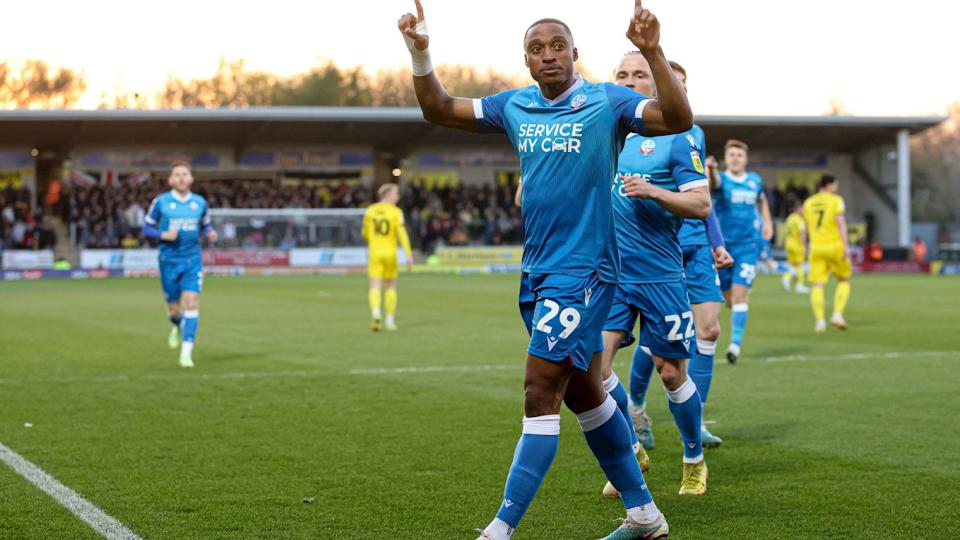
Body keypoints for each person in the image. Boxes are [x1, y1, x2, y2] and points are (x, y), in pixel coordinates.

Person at [398, 1, 693, 537]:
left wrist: (653, 52)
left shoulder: (608, 101)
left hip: (586, 272)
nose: (549, 55)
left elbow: (677, 119)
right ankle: (645, 515)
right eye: (537, 48)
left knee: (539, 390)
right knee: (583, 392)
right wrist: (420, 52)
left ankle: (500, 529)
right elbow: (438, 107)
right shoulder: (514, 105)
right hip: (538, 271)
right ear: (527, 60)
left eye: (558, 46)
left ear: (575, 53)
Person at [598, 51, 711, 501]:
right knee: (595, 371)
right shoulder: (604, 136)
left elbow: (701, 204)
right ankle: (631, 452)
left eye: (639, 74)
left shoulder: (676, 138)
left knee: (670, 373)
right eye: (621, 75)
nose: (629, 81)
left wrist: (653, 191)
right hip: (610, 275)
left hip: (660, 275)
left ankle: (693, 459)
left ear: (655, 83)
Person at [627, 60, 733, 455]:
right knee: (656, 338)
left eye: (683, 84)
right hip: (658, 245)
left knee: (710, 330)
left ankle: (696, 418)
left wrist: (716, 241)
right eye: (673, 83)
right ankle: (637, 406)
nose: (679, 90)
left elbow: (700, 194)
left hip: (695, 242)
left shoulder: (693, 132)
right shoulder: (634, 131)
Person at [143, 161, 217, 368]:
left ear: (191, 179)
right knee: (174, 310)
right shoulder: (161, 202)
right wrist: (162, 234)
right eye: (177, 175)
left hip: (192, 260)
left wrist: (210, 232)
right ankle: (177, 325)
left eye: (185, 174)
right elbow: (146, 228)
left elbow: (206, 224)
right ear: (170, 180)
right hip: (168, 261)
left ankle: (186, 354)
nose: (181, 178)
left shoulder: (200, 203)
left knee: (191, 303)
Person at [708, 140, 774, 364]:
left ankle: (734, 346)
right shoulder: (721, 179)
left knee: (740, 296)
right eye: (732, 155)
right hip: (722, 248)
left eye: (739, 155)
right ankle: (735, 314)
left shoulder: (755, 180)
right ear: (726, 159)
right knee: (729, 299)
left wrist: (767, 222)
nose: (735, 159)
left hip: (748, 246)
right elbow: (714, 183)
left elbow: (761, 201)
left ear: (745, 159)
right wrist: (711, 169)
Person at [803, 174, 852, 332]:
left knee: (818, 284)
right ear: (829, 185)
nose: (836, 188)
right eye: (835, 185)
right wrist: (846, 246)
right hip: (834, 246)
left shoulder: (808, 202)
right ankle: (837, 314)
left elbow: (805, 227)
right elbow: (840, 223)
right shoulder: (836, 200)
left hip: (816, 247)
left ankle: (820, 321)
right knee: (844, 280)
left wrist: (805, 246)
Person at [362, 183, 414, 332]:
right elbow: (402, 234)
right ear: (388, 195)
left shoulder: (370, 211)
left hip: (374, 253)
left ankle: (376, 313)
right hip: (390, 253)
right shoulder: (396, 212)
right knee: (390, 287)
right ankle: (390, 321)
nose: (398, 197)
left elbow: (365, 233)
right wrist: (408, 254)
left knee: (374, 286)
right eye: (396, 194)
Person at [782, 201, 810, 293]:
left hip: (788, 244)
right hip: (796, 244)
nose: (804, 211)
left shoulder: (789, 218)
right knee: (800, 265)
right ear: (798, 209)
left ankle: (786, 277)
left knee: (793, 265)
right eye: (802, 209)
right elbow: (801, 234)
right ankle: (800, 285)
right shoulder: (799, 220)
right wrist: (804, 247)